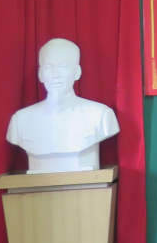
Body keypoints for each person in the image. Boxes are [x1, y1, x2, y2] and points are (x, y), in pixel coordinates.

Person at [6, 38, 119, 174]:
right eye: (49, 67)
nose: (56, 75)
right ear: (40, 74)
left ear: (77, 72)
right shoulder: (20, 120)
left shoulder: (100, 115)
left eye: (63, 66)